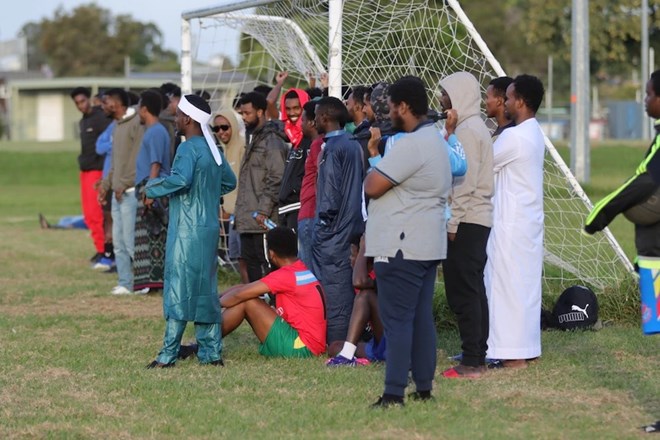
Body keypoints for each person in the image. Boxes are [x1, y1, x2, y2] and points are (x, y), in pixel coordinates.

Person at [364, 76, 451, 408]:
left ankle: (393, 393)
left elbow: (373, 184)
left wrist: (374, 168)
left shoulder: (413, 144)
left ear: (403, 107)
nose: (389, 114)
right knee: (419, 318)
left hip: (402, 244)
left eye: (391, 107)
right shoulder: (434, 140)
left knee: (398, 321)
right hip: (425, 243)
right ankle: (424, 387)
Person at [145, 94, 236, 368]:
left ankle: (168, 354)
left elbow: (181, 180)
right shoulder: (213, 149)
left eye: (177, 115)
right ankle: (211, 353)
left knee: (178, 287)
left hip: (186, 230)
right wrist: (207, 194)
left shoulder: (187, 149)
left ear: (187, 118)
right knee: (204, 289)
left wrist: (151, 189)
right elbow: (229, 182)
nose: (175, 120)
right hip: (208, 229)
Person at [485, 74, 546, 368]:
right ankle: (526, 348)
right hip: (527, 223)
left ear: (520, 102)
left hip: (510, 225)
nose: (505, 103)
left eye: (508, 98)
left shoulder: (513, 137)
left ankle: (511, 356)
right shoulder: (534, 132)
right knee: (524, 289)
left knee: (504, 288)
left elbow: (482, 166)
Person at [438, 71, 494, 378]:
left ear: (459, 96)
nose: (441, 99)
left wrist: (453, 222)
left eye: (446, 94)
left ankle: (473, 361)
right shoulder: (466, 127)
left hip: (467, 218)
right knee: (472, 289)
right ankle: (475, 352)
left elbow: (464, 182)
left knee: (463, 291)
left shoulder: (470, 130)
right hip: (472, 218)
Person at [216, 227, 326, 358]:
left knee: (248, 301)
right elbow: (246, 287)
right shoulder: (299, 269)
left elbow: (240, 294)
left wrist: (214, 304)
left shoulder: (285, 275)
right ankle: (207, 341)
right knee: (248, 295)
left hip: (301, 348)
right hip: (312, 344)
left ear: (271, 253)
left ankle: (207, 342)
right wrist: (216, 297)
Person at [312, 96, 365, 344]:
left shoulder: (332, 148)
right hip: (352, 226)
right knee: (347, 287)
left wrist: (322, 226)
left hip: (335, 231)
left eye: (316, 115)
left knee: (336, 290)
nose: (313, 121)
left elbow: (330, 195)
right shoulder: (352, 143)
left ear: (324, 117)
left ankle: (336, 342)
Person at [234, 92, 288, 282]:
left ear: (260, 112)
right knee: (251, 267)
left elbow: (277, 177)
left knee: (267, 267)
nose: (244, 117)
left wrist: (263, 211)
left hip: (262, 220)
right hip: (248, 219)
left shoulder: (272, 140)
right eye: (242, 113)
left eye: (247, 113)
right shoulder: (253, 138)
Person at [98, 88, 145, 295]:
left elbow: (137, 161)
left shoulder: (136, 124)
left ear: (115, 104)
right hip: (117, 192)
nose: (103, 106)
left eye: (105, 102)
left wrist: (124, 184)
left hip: (130, 192)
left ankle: (144, 283)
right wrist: (105, 185)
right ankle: (126, 283)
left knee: (130, 241)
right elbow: (116, 163)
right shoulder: (117, 126)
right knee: (118, 242)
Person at [133, 89, 171, 292]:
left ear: (145, 109)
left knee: (156, 237)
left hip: (153, 186)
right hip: (148, 185)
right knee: (147, 237)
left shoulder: (156, 131)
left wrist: (150, 191)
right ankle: (150, 282)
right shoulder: (152, 131)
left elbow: (155, 164)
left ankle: (158, 282)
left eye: (139, 107)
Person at [326, 234, 385, 366]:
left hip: (393, 340)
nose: (350, 259)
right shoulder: (365, 278)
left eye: (353, 255)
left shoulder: (376, 276)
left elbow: (359, 281)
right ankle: (351, 354)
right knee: (334, 346)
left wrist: (364, 246)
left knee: (365, 296)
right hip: (378, 343)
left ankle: (347, 357)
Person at [70, 87, 112, 266]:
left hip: (97, 170)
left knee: (97, 214)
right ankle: (99, 249)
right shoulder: (83, 121)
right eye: (77, 103)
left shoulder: (100, 117)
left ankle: (106, 251)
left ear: (88, 99)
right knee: (88, 215)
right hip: (85, 170)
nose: (81, 105)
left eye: (82, 101)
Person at [212, 109, 247, 280]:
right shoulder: (224, 151)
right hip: (232, 217)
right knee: (239, 258)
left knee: (248, 258)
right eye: (216, 129)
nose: (221, 132)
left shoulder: (242, 146)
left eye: (225, 127)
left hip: (245, 214)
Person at [276, 85, 311, 231]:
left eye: (297, 108)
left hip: (301, 208)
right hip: (287, 209)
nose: (292, 113)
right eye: (288, 109)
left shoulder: (310, 138)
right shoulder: (290, 137)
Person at [297, 100, 323, 270]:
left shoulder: (319, 145)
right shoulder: (316, 144)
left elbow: (320, 179)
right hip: (308, 213)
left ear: (312, 122)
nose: (300, 124)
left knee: (310, 272)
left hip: (311, 214)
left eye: (303, 119)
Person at [93, 92, 117, 271]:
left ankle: (113, 255)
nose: (102, 107)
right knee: (106, 217)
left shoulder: (125, 126)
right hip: (107, 178)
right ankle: (108, 254)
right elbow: (99, 147)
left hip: (119, 180)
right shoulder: (112, 126)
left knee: (115, 220)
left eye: (104, 103)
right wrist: (113, 145)